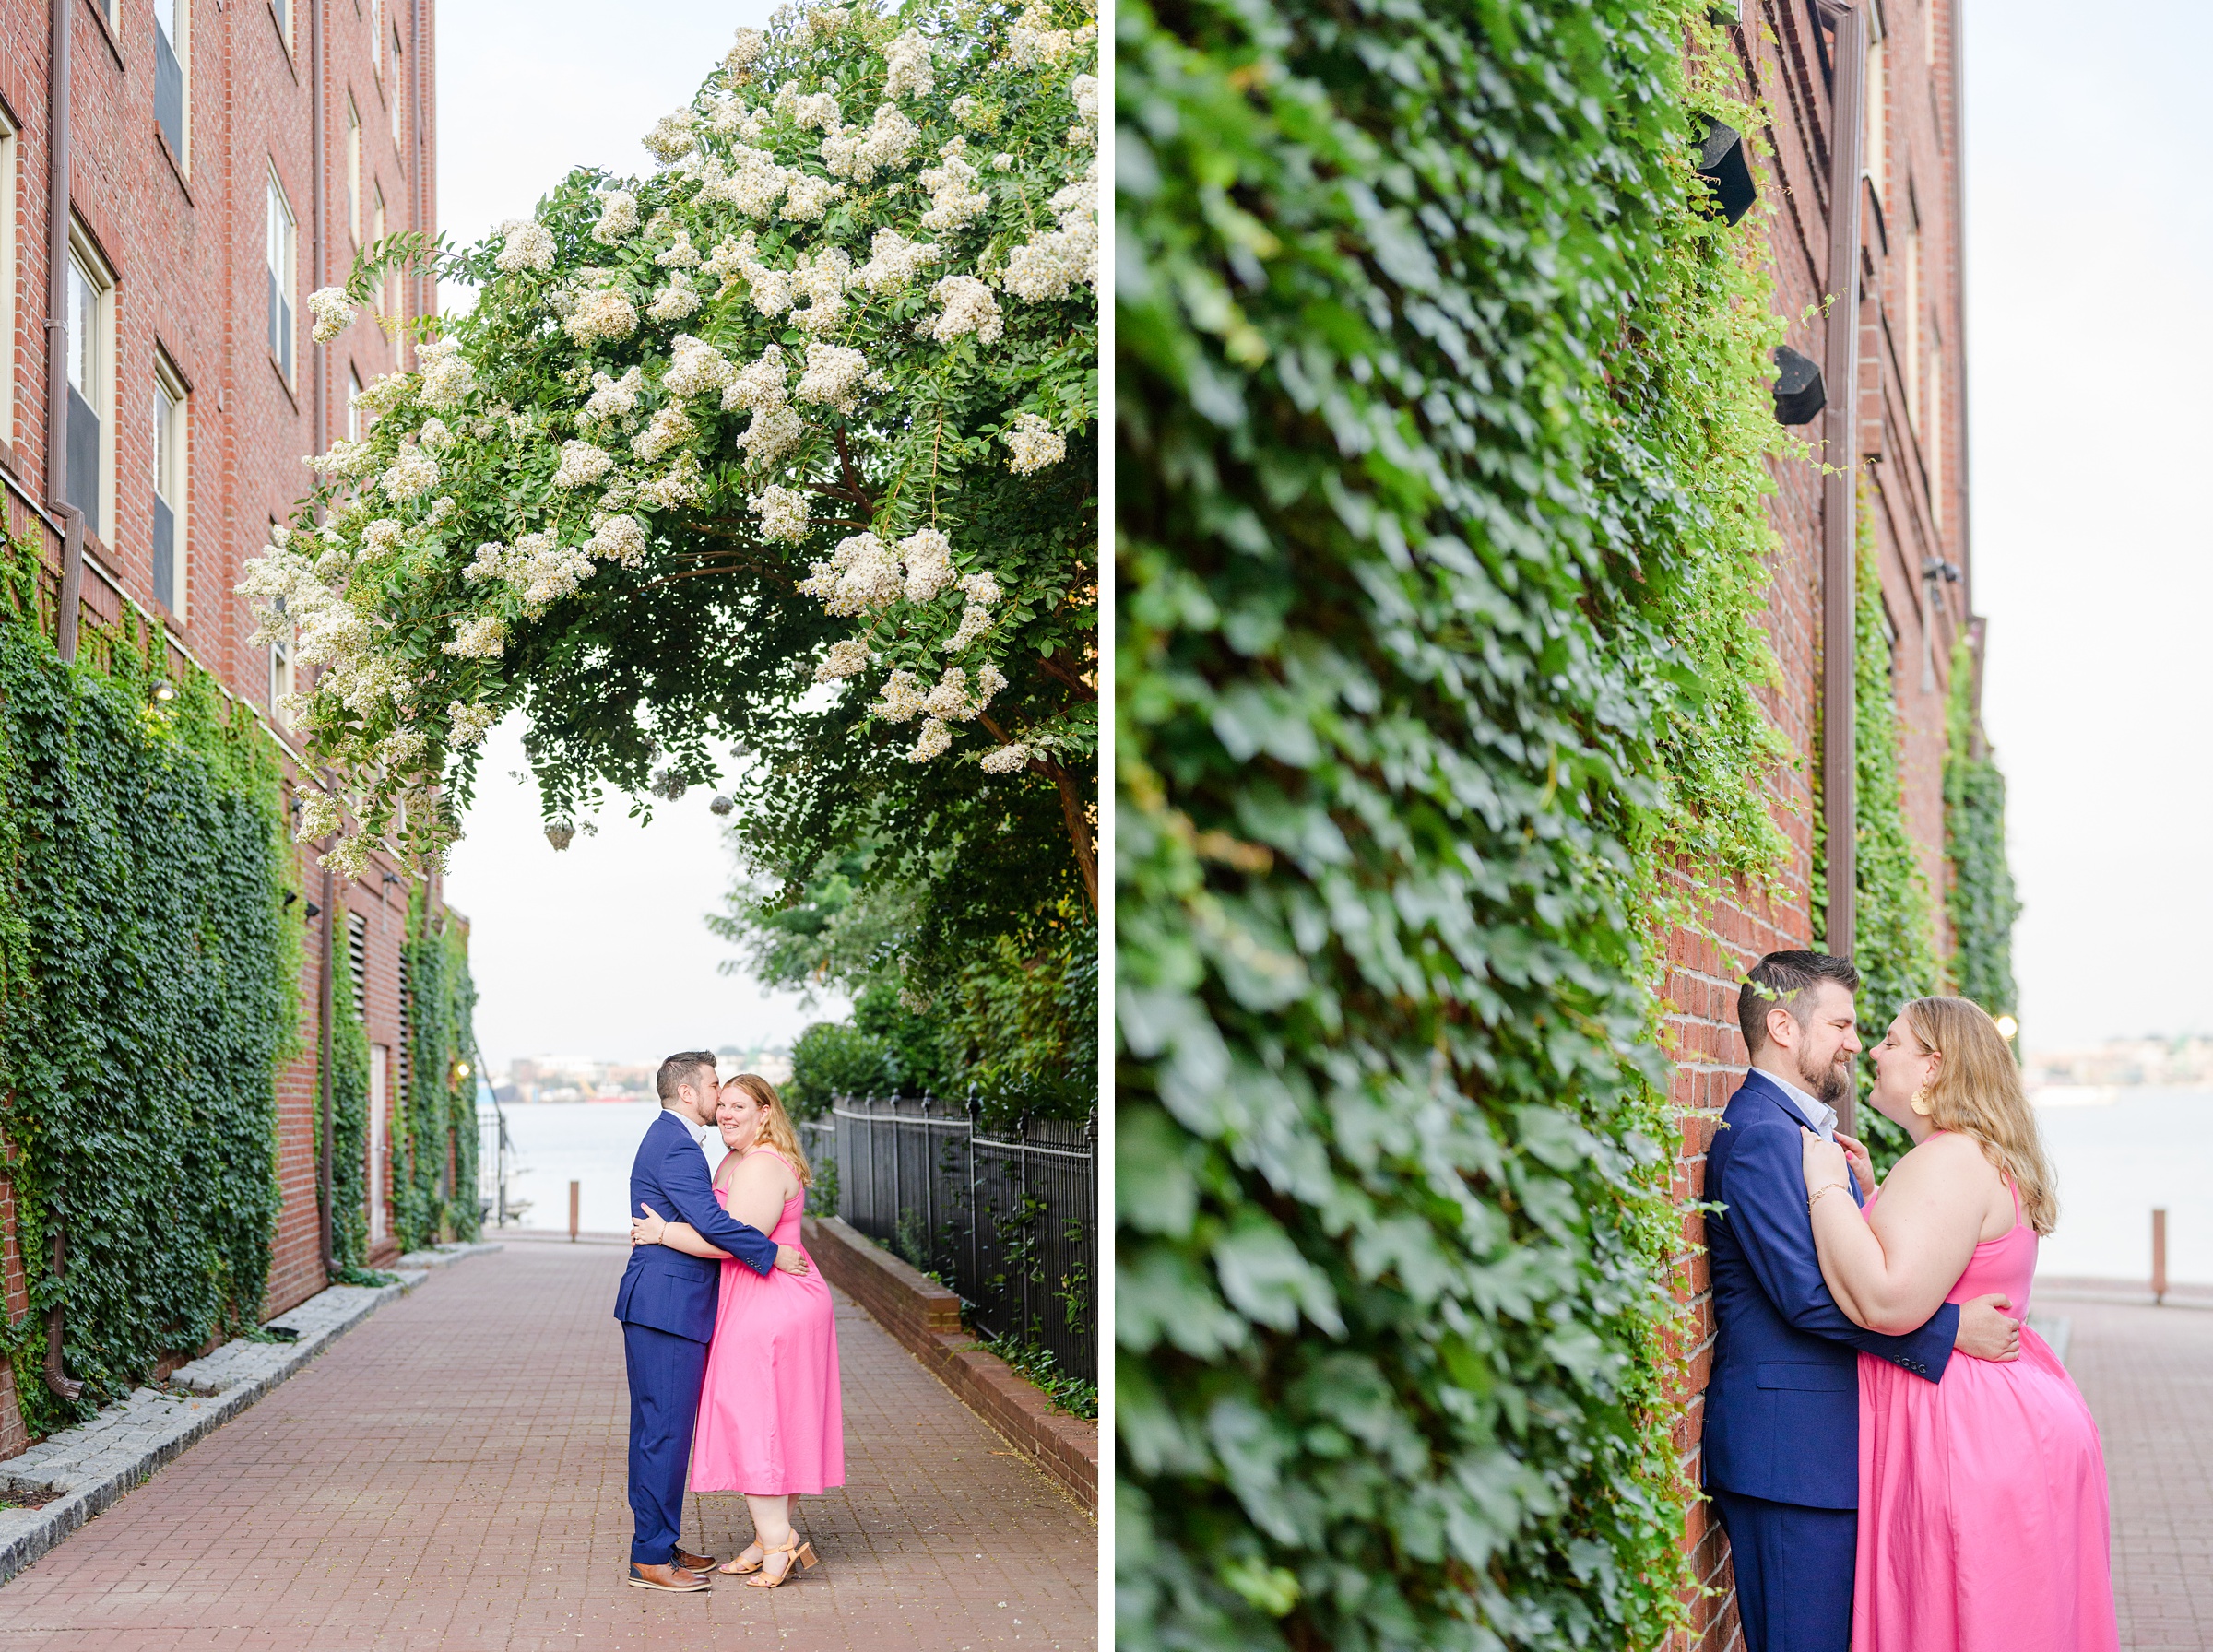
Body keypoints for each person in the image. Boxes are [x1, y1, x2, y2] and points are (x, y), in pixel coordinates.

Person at [1703, 952, 2023, 1652]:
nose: (1856, 1042)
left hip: (1825, 1457)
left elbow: (1860, 1262)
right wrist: (1949, 1331)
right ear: (1784, 1028)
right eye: (1843, 1024)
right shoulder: (1761, 1136)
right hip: (1791, 1460)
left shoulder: (1804, 1134)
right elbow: (1808, 1299)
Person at [1799, 996, 2118, 1652]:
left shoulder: (1947, 1160)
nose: (1873, 1051)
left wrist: (1825, 1184)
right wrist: (1870, 1193)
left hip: (1967, 1432)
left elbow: (1886, 1300)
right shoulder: (1977, 1156)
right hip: (2010, 1415)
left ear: (1933, 1068)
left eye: (1891, 1041)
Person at [632, 1071, 845, 1588]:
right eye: (720, 1102)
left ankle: (779, 1544)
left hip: (770, 1304)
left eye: (737, 1106)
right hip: (752, 1299)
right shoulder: (734, 1159)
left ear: (766, 1112)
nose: (725, 1113)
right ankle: (765, 1536)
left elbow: (733, 1239)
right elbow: (718, 1221)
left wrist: (663, 1232)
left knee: (760, 1422)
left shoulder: (762, 1165)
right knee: (769, 1418)